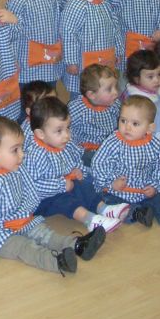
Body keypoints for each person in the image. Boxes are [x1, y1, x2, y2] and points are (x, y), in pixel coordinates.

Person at [0, 116, 106, 275]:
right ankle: (57, 262)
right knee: (24, 247)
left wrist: (29, 209)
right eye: (15, 150)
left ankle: (77, 245)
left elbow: (28, 186)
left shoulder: (11, 164)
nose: (22, 154)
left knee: (44, 233)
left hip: (17, 218)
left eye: (21, 148)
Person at [91, 96, 160, 233]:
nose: (127, 127)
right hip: (117, 191)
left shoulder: (155, 145)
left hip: (143, 190)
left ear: (150, 128)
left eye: (135, 124)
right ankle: (138, 213)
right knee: (111, 203)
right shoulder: (113, 141)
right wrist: (111, 182)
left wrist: (155, 186)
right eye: (123, 120)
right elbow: (99, 163)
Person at [23, 96, 129, 233]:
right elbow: (32, 185)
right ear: (40, 134)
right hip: (42, 200)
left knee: (83, 185)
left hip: (66, 183)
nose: (66, 135)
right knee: (63, 199)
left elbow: (76, 158)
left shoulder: (63, 143)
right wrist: (61, 184)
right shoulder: (34, 155)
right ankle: (89, 219)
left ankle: (103, 208)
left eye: (68, 128)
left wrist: (78, 170)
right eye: (59, 131)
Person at [6, 0, 70, 92]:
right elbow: (10, 34)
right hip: (27, 70)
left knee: (49, 103)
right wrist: (11, 60)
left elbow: (72, 0)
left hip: (51, 66)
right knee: (28, 104)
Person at [60, 0, 123, 99]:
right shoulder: (75, 5)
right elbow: (68, 34)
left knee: (105, 92)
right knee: (82, 96)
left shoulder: (104, 2)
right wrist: (71, 62)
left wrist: (118, 50)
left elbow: (115, 27)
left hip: (106, 58)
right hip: (83, 64)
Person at [68, 64, 121, 166]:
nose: (116, 92)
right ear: (92, 95)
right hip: (87, 149)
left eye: (116, 86)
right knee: (94, 160)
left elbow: (121, 123)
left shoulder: (115, 104)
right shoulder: (77, 108)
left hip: (109, 146)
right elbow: (67, 130)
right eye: (109, 89)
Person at [20, 80, 56, 148]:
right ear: (29, 112)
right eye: (44, 105)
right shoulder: (28, 131)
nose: (53, 107)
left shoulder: (56, 118)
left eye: (54, 101)